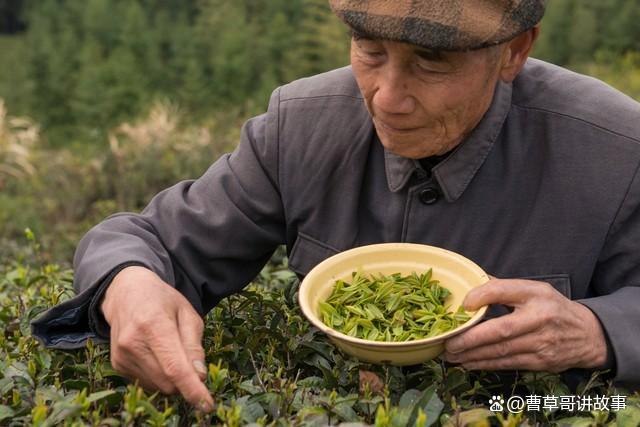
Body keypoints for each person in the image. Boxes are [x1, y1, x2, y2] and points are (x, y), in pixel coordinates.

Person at [32, 0, 640, 411]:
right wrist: (129, 282)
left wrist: (597, 331)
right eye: (368, 50)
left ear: (513, 51)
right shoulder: (297, 127)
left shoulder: (616, 151)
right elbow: (147, 238)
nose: (388, 98)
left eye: (431, 62)